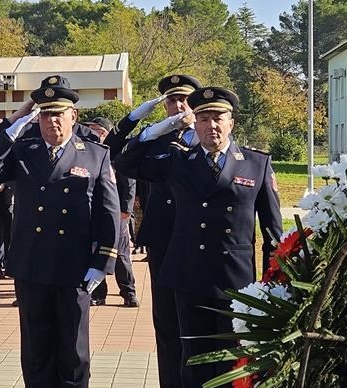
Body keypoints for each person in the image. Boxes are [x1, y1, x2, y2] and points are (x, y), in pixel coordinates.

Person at [115, 87, 283, 387]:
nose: (211, 126)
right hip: (190, 279)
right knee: (194, 362)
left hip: (236, 284)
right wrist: (158, 129)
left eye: (218, 117)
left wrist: (273, 284)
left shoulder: (256, 164)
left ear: (231, 122)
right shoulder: (178, 161)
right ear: (195, 122)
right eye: (203, 118)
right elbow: (124, 161)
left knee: (236, 364)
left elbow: (273, 233)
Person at [0, 75, 120, 388]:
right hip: (32, 265)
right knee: (36, 352)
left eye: (58, 113)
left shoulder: (95, 154)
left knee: (73, 352)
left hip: (74, 266)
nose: (51, 120)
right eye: (44, 113)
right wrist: (13, 122)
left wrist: (103, 262)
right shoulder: (23, 151)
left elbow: (108, 213)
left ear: (73, 116)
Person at [112, 74, 202, 388]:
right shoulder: (156, 140)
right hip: (164, 241)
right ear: (164, 106)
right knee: (167, 324)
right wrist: (142, 126)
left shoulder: (210, 133)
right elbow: (115, 156)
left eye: (185, 99)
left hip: (202, 243)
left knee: (203, 322)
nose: (179, 106)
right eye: (172, 101)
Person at [83, 116, 139, 308]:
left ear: (105, 133)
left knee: (121, 256)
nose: (92, 133)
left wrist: (126, 210)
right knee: (96, 253)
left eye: (96, 130)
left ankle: (128, 292)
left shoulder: (116, 154)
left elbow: (130, 183)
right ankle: (99, 293)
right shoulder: (89, 153)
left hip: (117, 215)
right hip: (95, 215)